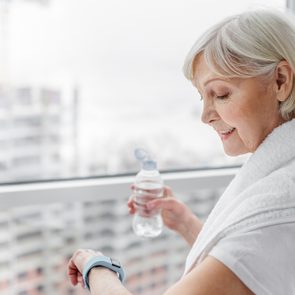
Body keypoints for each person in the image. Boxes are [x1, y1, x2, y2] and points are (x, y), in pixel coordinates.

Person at [67, 9, 295, 295]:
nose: (206, 115)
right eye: (203, 97)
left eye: (221, 94)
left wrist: (97, 269)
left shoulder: (280, 208)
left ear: (281, 81)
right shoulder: (279, 184)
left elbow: (259, 241)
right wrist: (186, 224)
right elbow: (250, 268)